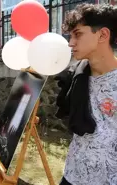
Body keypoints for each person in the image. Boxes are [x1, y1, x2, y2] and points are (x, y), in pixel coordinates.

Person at [56, 3, 117, 185]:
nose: (70, 42)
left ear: (103, 35)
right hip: (72, 174)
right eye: (70, 35)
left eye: (78, 34)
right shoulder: (78, 75)